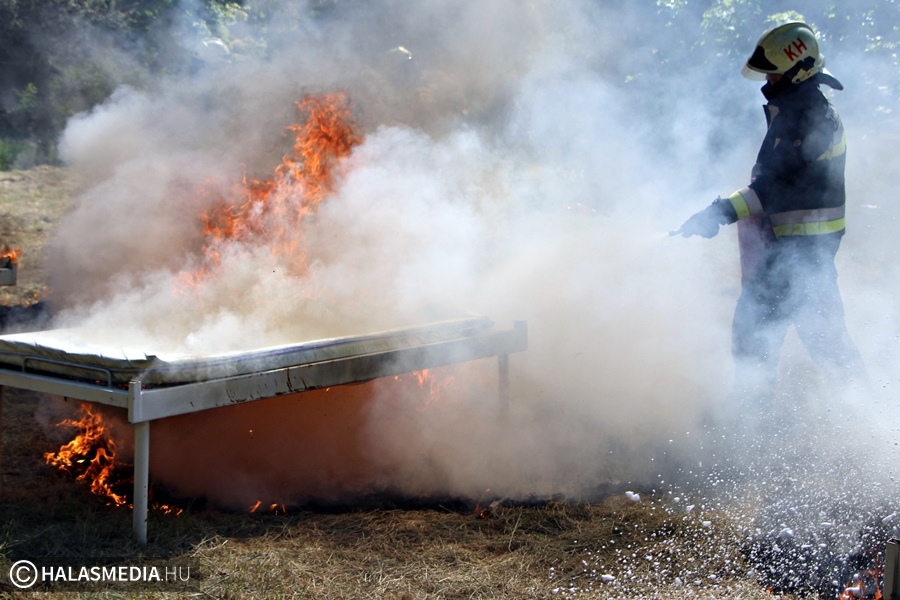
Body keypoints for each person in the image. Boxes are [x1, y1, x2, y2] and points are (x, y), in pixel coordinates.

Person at [675, 22, 864, 409]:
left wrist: (719, 213)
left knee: (767, 333)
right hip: (797, 247)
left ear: (799, 70)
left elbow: (773, 187)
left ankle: (868, 420)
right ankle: (862, 412)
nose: (770, 79)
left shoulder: (809, 117)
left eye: (775, 72)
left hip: (804, 249)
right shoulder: (799, 108)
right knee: (802, 336)